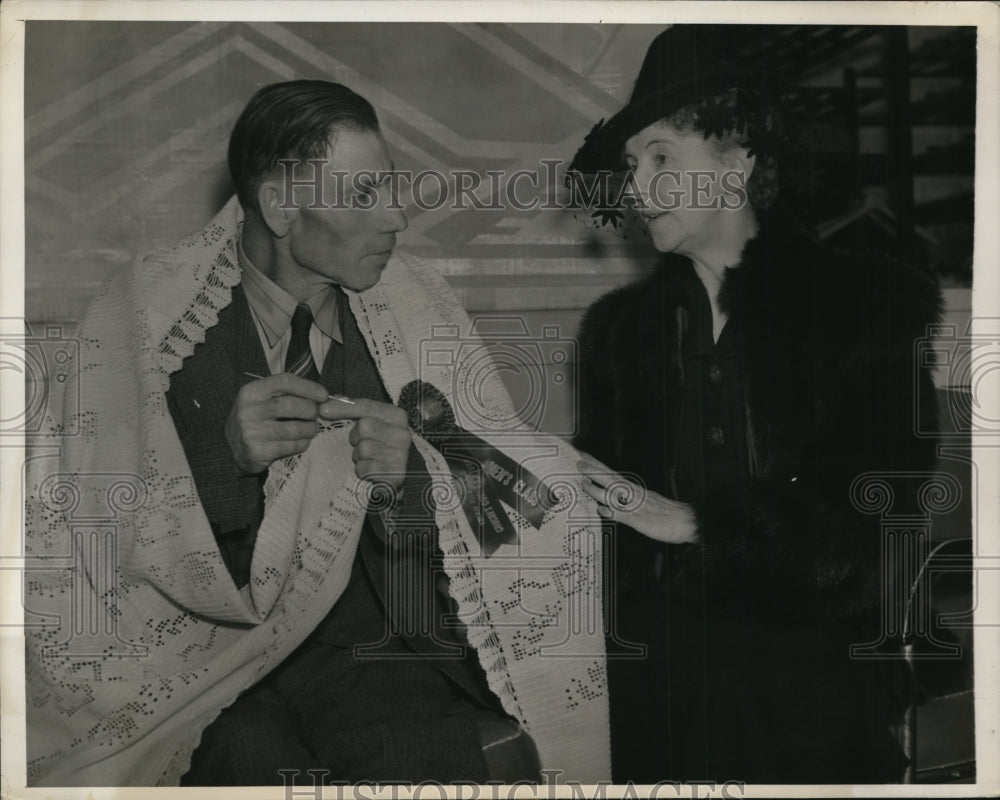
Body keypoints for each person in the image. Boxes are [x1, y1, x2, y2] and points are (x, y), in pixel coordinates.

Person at [24, 80, 610, 786]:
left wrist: (413, 480)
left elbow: (518, 506)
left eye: (390, 189)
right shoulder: (145, 320)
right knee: (246, 764)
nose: (395, 218)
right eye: (365, 196)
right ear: (280, 206)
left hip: (370, 650)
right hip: (200, 660)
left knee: (412, 761)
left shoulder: (420, 313)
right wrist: (223, 460)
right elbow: (87, 528)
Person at [568, 26, 941, 783]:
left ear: (737, 164)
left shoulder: (862, 307)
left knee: (735, 683)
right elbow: (604, 525)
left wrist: (699, 525)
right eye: (633, 165)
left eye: (662, 157)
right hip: (661, 646)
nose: (637, 188)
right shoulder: (620, 336)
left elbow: (871, 529)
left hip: (816, 637)